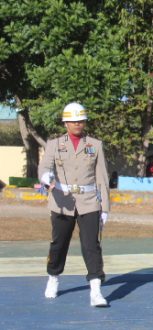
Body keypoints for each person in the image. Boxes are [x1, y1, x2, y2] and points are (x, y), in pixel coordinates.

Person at [39, 102, 110, 307]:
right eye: (73, 121)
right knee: (59, 244)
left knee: (92, 246)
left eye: (81, 120)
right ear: (66, 123)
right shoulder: (54, 144)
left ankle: (95, 290)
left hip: (89, 203)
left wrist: (105, 207)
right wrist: (45, 177)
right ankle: (53, 277)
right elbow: (45, 166)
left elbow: (102, 178)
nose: (77, 124)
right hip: (62, 201)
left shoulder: (95, 145)